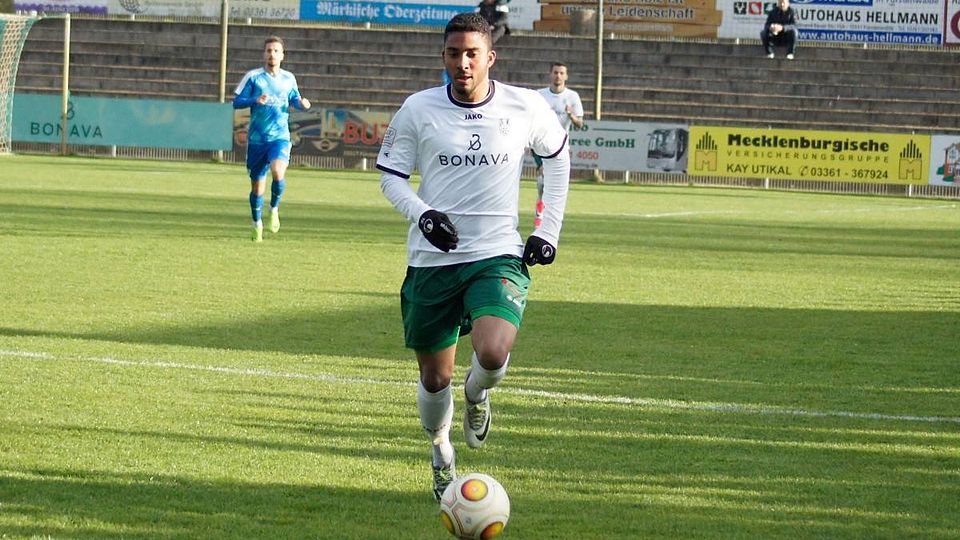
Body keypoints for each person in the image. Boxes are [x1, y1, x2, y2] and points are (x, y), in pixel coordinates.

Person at [376, 12, 571, 502]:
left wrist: (547, 230)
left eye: (471, 54)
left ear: (490, 57)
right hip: (432, 261)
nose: (462, 63)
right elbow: (390, 177)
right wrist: (424, 215)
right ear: (443, 57)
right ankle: (440, 449)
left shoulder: (524, 105)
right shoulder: (418, 109)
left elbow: (557, 157)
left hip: (497, 253)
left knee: (492, 352)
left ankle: (478, 393)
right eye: (453, 53)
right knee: (434, 377)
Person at [233, 36, 311, 242]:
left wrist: (302, 104)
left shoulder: (289, 78)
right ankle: (256, 223)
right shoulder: (253, 77)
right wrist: (254, 100)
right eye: (269, 50)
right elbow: (237, 102)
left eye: (276, 51)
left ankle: (274, 209)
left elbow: (294, 98)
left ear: (282, 55)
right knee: (257, 188)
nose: (272, 54)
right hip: (257, 141)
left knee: (277, 171)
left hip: (280, 137)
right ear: (264, 54)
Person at [534, 62, 583, 227]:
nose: (558, 76)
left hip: (562, 147)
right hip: (541, 145)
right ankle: (540, 216)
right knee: (543, 182)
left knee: (557, 186)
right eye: (555, 72)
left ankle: (551, 218)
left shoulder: (572, 96)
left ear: (566, 76)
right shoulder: (539, 95)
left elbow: (580, 123)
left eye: (562, 73)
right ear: (550, 74)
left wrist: (571, 115)